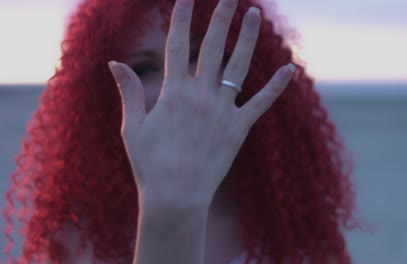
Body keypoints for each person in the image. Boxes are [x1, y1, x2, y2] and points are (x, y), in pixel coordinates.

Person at [3, 0, 362, 263]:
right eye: (143, 68)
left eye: (197, 55)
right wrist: (171, 208)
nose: (175, 89)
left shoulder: (288, 219)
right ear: (100, 98)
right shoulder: (79, 240)